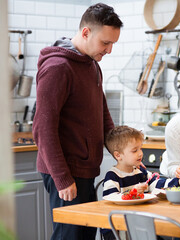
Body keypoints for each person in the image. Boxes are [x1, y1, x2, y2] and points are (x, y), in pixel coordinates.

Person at [32, 3, 123, 240]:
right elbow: (43, 129)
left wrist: (122, 152)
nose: (109, 50)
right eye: (105, 43)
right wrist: (62, 178)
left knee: (83, 235)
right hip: (65, 172)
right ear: (85, 33)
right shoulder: (57, 68)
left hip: (85, 169)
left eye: (113, 43)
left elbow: (103, 115)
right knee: (69, 236)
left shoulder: (92, 65)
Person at [101, 125, 180, 240]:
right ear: (118, 155)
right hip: (119, 228)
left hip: (139, 223)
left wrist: (178, 182)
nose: (140, 153)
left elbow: (156, 183)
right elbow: (110, 199)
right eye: (134, 150)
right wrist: (132, 192)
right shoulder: (113, 176)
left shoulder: (140, 171)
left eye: (140, 148)